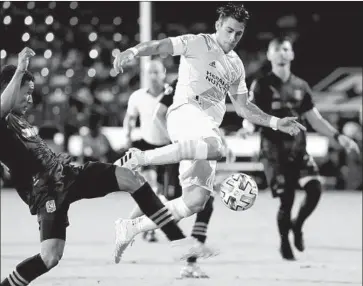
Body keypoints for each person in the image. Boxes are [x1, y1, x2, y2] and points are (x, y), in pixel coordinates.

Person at [112, 3, 306, 262]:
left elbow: (244, 107)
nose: (233, 38)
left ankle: (131, 228)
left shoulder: (236, 66)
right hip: (184, 113)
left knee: (195, 201)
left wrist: (274, 121)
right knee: (217, 147)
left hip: (205, 129)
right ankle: (140, 158)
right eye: (229, 31)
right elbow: (160, 46)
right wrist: (134, 51)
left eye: (239, 33)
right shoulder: (196, 43)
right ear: (218, 25)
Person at [0, 48, 209, 286]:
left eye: (31, 94)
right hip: (45, 192)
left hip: (66, 174)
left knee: (132, 179)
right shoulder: (3, 119)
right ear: (10, 88)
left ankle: (179, 241)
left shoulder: (18, 118)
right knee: (50, 257)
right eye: (26, 93)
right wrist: (19, 70)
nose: (30, 99)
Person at [239, 36, 360, 260]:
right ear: (269, 55)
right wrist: (247, 127)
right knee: (287, 200)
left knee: (315, 189)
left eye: (286, 49)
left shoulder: (301, 86)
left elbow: (314, 118)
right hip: (273, 152)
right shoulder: (262, 85)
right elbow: (252, 112)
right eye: (277, 49)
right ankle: (284, 242)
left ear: (292, 54)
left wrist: (338, 136)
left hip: (298, 149)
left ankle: (297, 225)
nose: (282, 53)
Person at [123, 59, 172, 242]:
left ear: (164, 73)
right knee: (151, 189)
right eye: (149, 72)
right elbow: (129, 117)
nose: (153, 76)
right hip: (147, 147)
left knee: (165, 195)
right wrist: (127, 136)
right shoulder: (138, 96)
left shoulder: (172, 94)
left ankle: (139, 225)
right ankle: (140, 227)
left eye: (156, 72)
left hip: (169, 148)